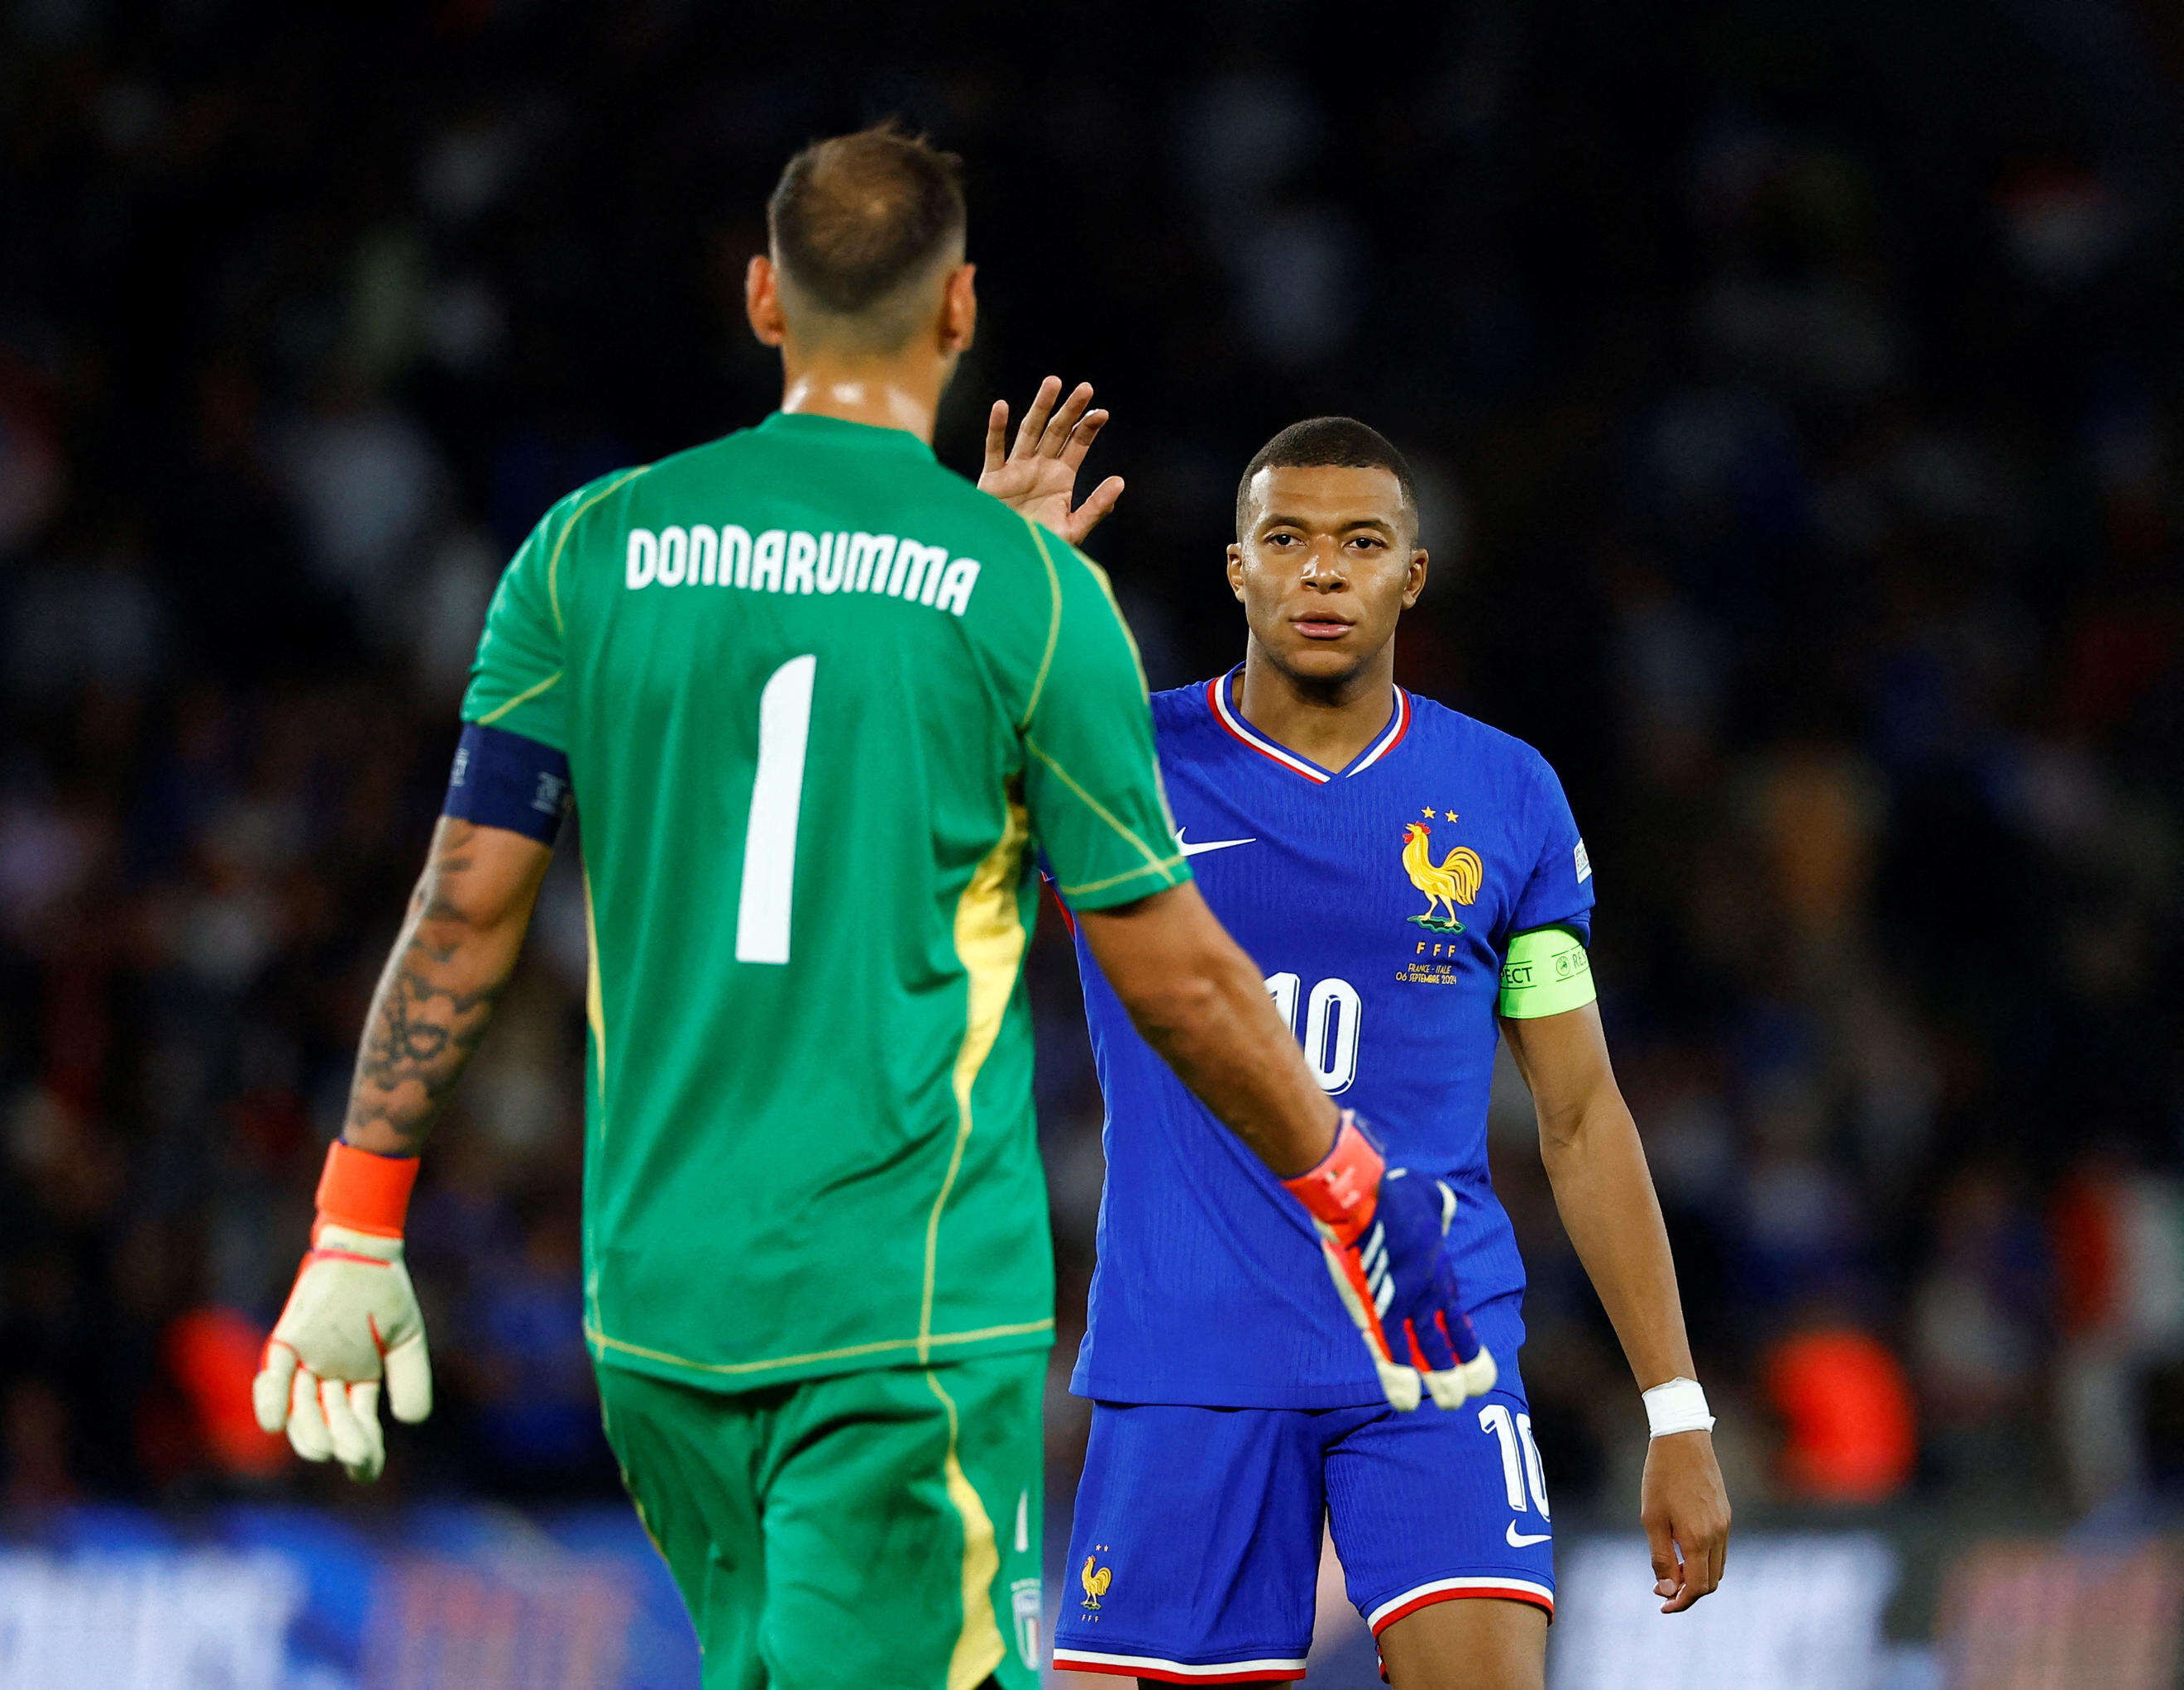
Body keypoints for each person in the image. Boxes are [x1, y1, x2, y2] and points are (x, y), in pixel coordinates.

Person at [248, 130, 1489, 1690]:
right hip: (894, 1325)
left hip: (656, 1317)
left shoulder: (588, 549)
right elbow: (1177, 977)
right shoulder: (1023, 598)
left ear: (765, 297)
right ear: (960, 309)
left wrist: (355, 1226)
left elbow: (464, 909)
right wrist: (1354, 1187)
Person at [1006, 418, 1731, 1688]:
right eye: (1285, 540)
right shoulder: (1119, 758)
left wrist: (1676, 1409)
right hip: (1192, 1357)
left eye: (1359, 543)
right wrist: (991, 598)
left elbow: (1580, 1115)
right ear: (1236, 569)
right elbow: (897, 798)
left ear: (1414, 574)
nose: (1321, 572)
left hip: (1432, 1348)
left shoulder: (1507, 796)